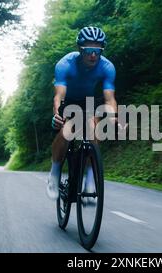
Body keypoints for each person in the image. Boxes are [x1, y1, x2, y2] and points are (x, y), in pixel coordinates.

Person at [46, 26, 119, 200]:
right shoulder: (65, 64)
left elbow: (109, 98)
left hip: (88, 101)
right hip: (68, 101)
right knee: (67, 131)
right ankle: (54, 173)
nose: (93, 54)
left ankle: (90, 177)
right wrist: (57, 114)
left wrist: (114, 117)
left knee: (94, 129)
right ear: (80, 49)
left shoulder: (107, 67)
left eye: (98, 50)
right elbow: (59, 95)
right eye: (88, 50)